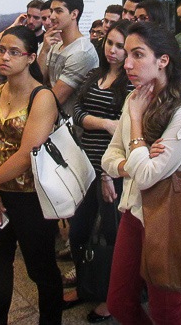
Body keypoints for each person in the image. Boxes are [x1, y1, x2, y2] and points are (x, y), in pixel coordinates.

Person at [102, 21, 181, 325]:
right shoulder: (135, 99)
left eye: (138, 54)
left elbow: (146, 176)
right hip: (134, 211)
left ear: (163, 60)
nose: (127, 63)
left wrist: (135, 126)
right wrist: (133, 161)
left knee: (165, 311)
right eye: (127, 54)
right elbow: (110, 157)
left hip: (169, 218)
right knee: (118, 302)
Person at [0, 26, 62, 325]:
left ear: (30, 58)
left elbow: (27, 154)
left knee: (41, 269)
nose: (4, 57)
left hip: (32, 197)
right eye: (2, 51)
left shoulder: (42, 96)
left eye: (14, 52)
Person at [64, 19, 134, 322]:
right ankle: (86, 284)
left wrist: (108, 174)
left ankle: (111, 297)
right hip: (85, 165)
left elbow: (124, 132)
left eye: (120, 46)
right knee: (78, 231)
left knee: (112, 235)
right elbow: (77, 111)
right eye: (109, 43)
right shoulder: (95, 75)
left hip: (111, 171)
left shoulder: (130, 84)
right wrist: (104, 123)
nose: (112, 50)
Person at [37, 0, 99, 115]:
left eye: (58, 11)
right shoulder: (55, 45)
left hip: (68, 122)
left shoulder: (82, 51)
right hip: (51, 116)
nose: (52, 16)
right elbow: (37, 80)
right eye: (52, 11)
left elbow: (57, 98)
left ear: (74, 14)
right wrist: (44, 51)